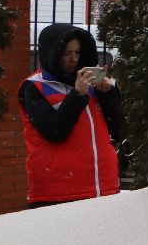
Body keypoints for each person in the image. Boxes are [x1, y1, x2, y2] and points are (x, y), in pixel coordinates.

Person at [19, 24, 124, 206]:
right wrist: (78, 95)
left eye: (77, 52)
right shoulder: (34, 87)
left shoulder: (91, 84)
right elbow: (55, 132)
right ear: (53, 53)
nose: (73, 59)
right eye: (67, 53)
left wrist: (108, 94)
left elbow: (116, 127)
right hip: (59, 191)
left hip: (102, 186)